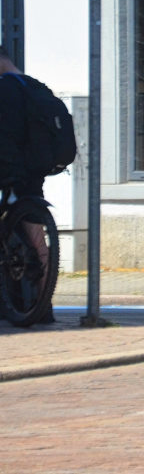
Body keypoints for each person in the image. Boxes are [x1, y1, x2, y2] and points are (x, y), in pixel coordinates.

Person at [0, 45, 54, 323]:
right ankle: (44, 306)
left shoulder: (5, 89)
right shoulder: (35, 86)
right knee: (37, 241)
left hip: (9, 168)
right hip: (34, 171)